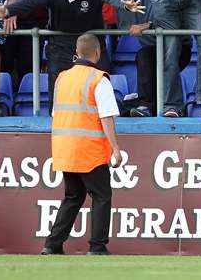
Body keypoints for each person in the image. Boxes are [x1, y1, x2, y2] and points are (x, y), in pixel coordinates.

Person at [0, 0, 145, 109]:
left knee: (98, 89)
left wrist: (124, 4)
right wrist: (7, 11)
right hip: (60, 46)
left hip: (92, 45)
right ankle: (56, 120)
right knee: (58, 94)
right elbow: (30, 2)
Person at [40, 33, 121, 256]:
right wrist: (116, 148)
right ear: (98, 53)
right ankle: (97, 246)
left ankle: (52, 244)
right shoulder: (98, 79)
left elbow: (56, 114)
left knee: (73, 196)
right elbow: (106, 117)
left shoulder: (62, 78)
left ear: (76, 52)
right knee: (102, 195)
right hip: (89, 150)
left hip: (65, 148)